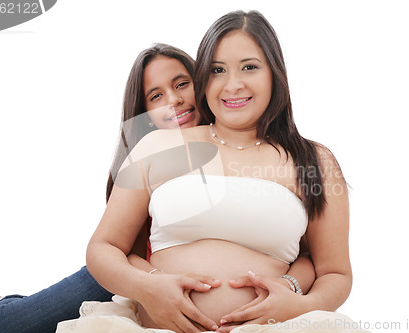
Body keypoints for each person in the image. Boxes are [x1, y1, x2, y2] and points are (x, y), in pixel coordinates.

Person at [0, 43, 315, 333]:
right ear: (147, 114)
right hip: (130, 272)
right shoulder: (154, 153)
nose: (174, 101)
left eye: (181, 84)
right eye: (157, 96)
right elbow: (118, 250)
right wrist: (151, 282)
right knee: (9, 327)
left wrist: (289, 285)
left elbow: (302, 253)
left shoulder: (253, 152)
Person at [83, 9, 352, 333]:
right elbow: (104, 248)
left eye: (249, 67)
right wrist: (148, 287)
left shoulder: (314, 162)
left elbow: (335, 273)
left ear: (274, 73)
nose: (233, 84)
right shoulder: (157, 147)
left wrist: (301, 303)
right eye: (218, 70)